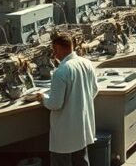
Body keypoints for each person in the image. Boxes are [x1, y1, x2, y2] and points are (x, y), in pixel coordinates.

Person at [38, 33, 98, 166]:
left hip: (65, 130)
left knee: (61, 161)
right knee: (81, 160)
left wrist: (43, 98)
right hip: (82, 125)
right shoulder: (87, 63)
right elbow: (94, 89)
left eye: (55, 50)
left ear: (59, 48)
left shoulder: (61, 71)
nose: (54, 54)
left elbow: (55, 104)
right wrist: (79, 102)